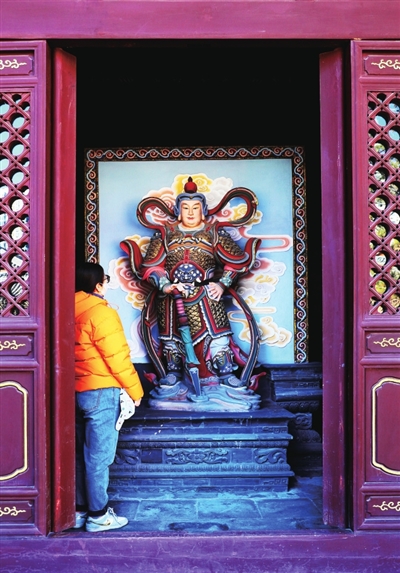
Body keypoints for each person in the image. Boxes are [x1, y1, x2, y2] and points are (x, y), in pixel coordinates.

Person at [121, 179, 261, 410]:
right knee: (171, 338)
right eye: (185, 208)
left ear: (203, 210)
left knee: (217, 336)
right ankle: (174, 373)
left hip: (206, 295)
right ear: (178, 211)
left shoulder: (213, 232)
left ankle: (225, 374)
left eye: (195, 208)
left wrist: (222, 284)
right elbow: (151, 266)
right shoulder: (166, 234)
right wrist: (165, 285)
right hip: (172, 296)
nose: (190, 212)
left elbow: (236, 262)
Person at [74, 262, 144, 531]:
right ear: (98, 285)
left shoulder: (63, 309)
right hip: (101, 391)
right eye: (105, 280)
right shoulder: (101, 313)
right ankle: (99, 515)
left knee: (77, 454)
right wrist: (136, 391)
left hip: (73, 390)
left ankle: (78, 510)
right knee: (98, 456)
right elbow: (117, 358)